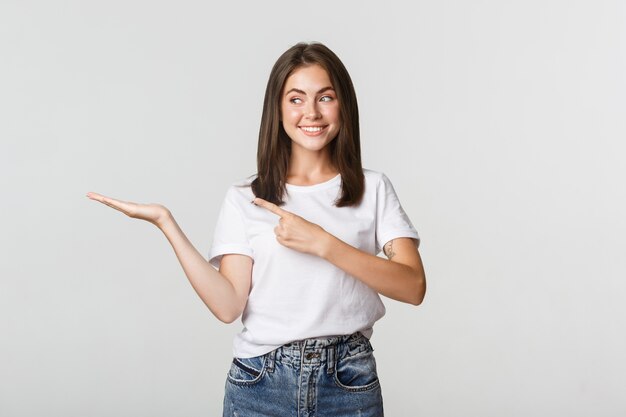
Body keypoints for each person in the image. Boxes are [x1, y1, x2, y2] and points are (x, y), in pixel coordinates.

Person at [86, 41, 426, 417]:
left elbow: (412, 287)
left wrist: (323, 243)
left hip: (348, 381)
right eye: (296, 99)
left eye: (325, 97)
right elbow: (229, 305)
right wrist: (166, 223)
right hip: (261, 382)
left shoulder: (373, 188)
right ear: (278, 109)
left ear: (343, 103)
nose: (311, 112)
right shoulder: (245, 198)